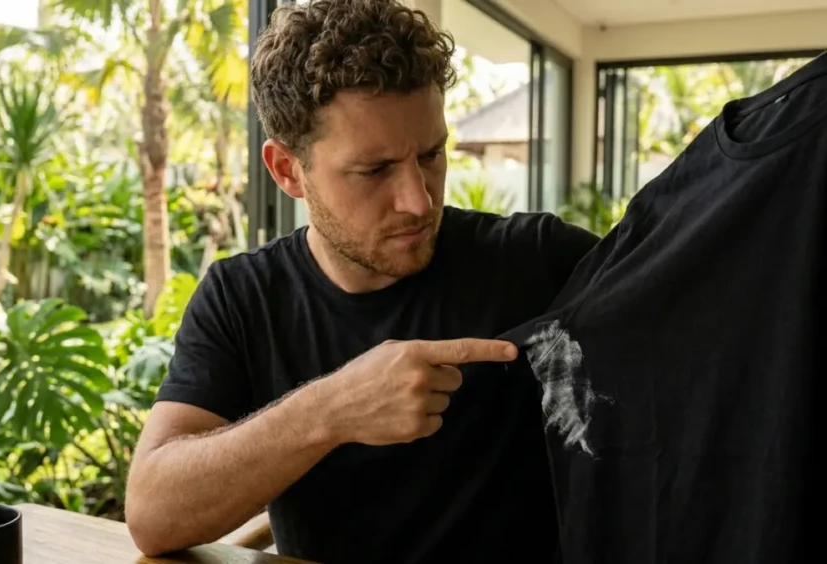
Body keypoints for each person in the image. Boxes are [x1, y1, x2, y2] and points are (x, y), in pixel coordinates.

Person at [124, 0, 599, 562]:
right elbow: (153, 516)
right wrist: (332, 410)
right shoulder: (243, 298)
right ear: (286, 171)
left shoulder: (539, 260)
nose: (419, 200)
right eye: (374, 171)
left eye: (432, 154)